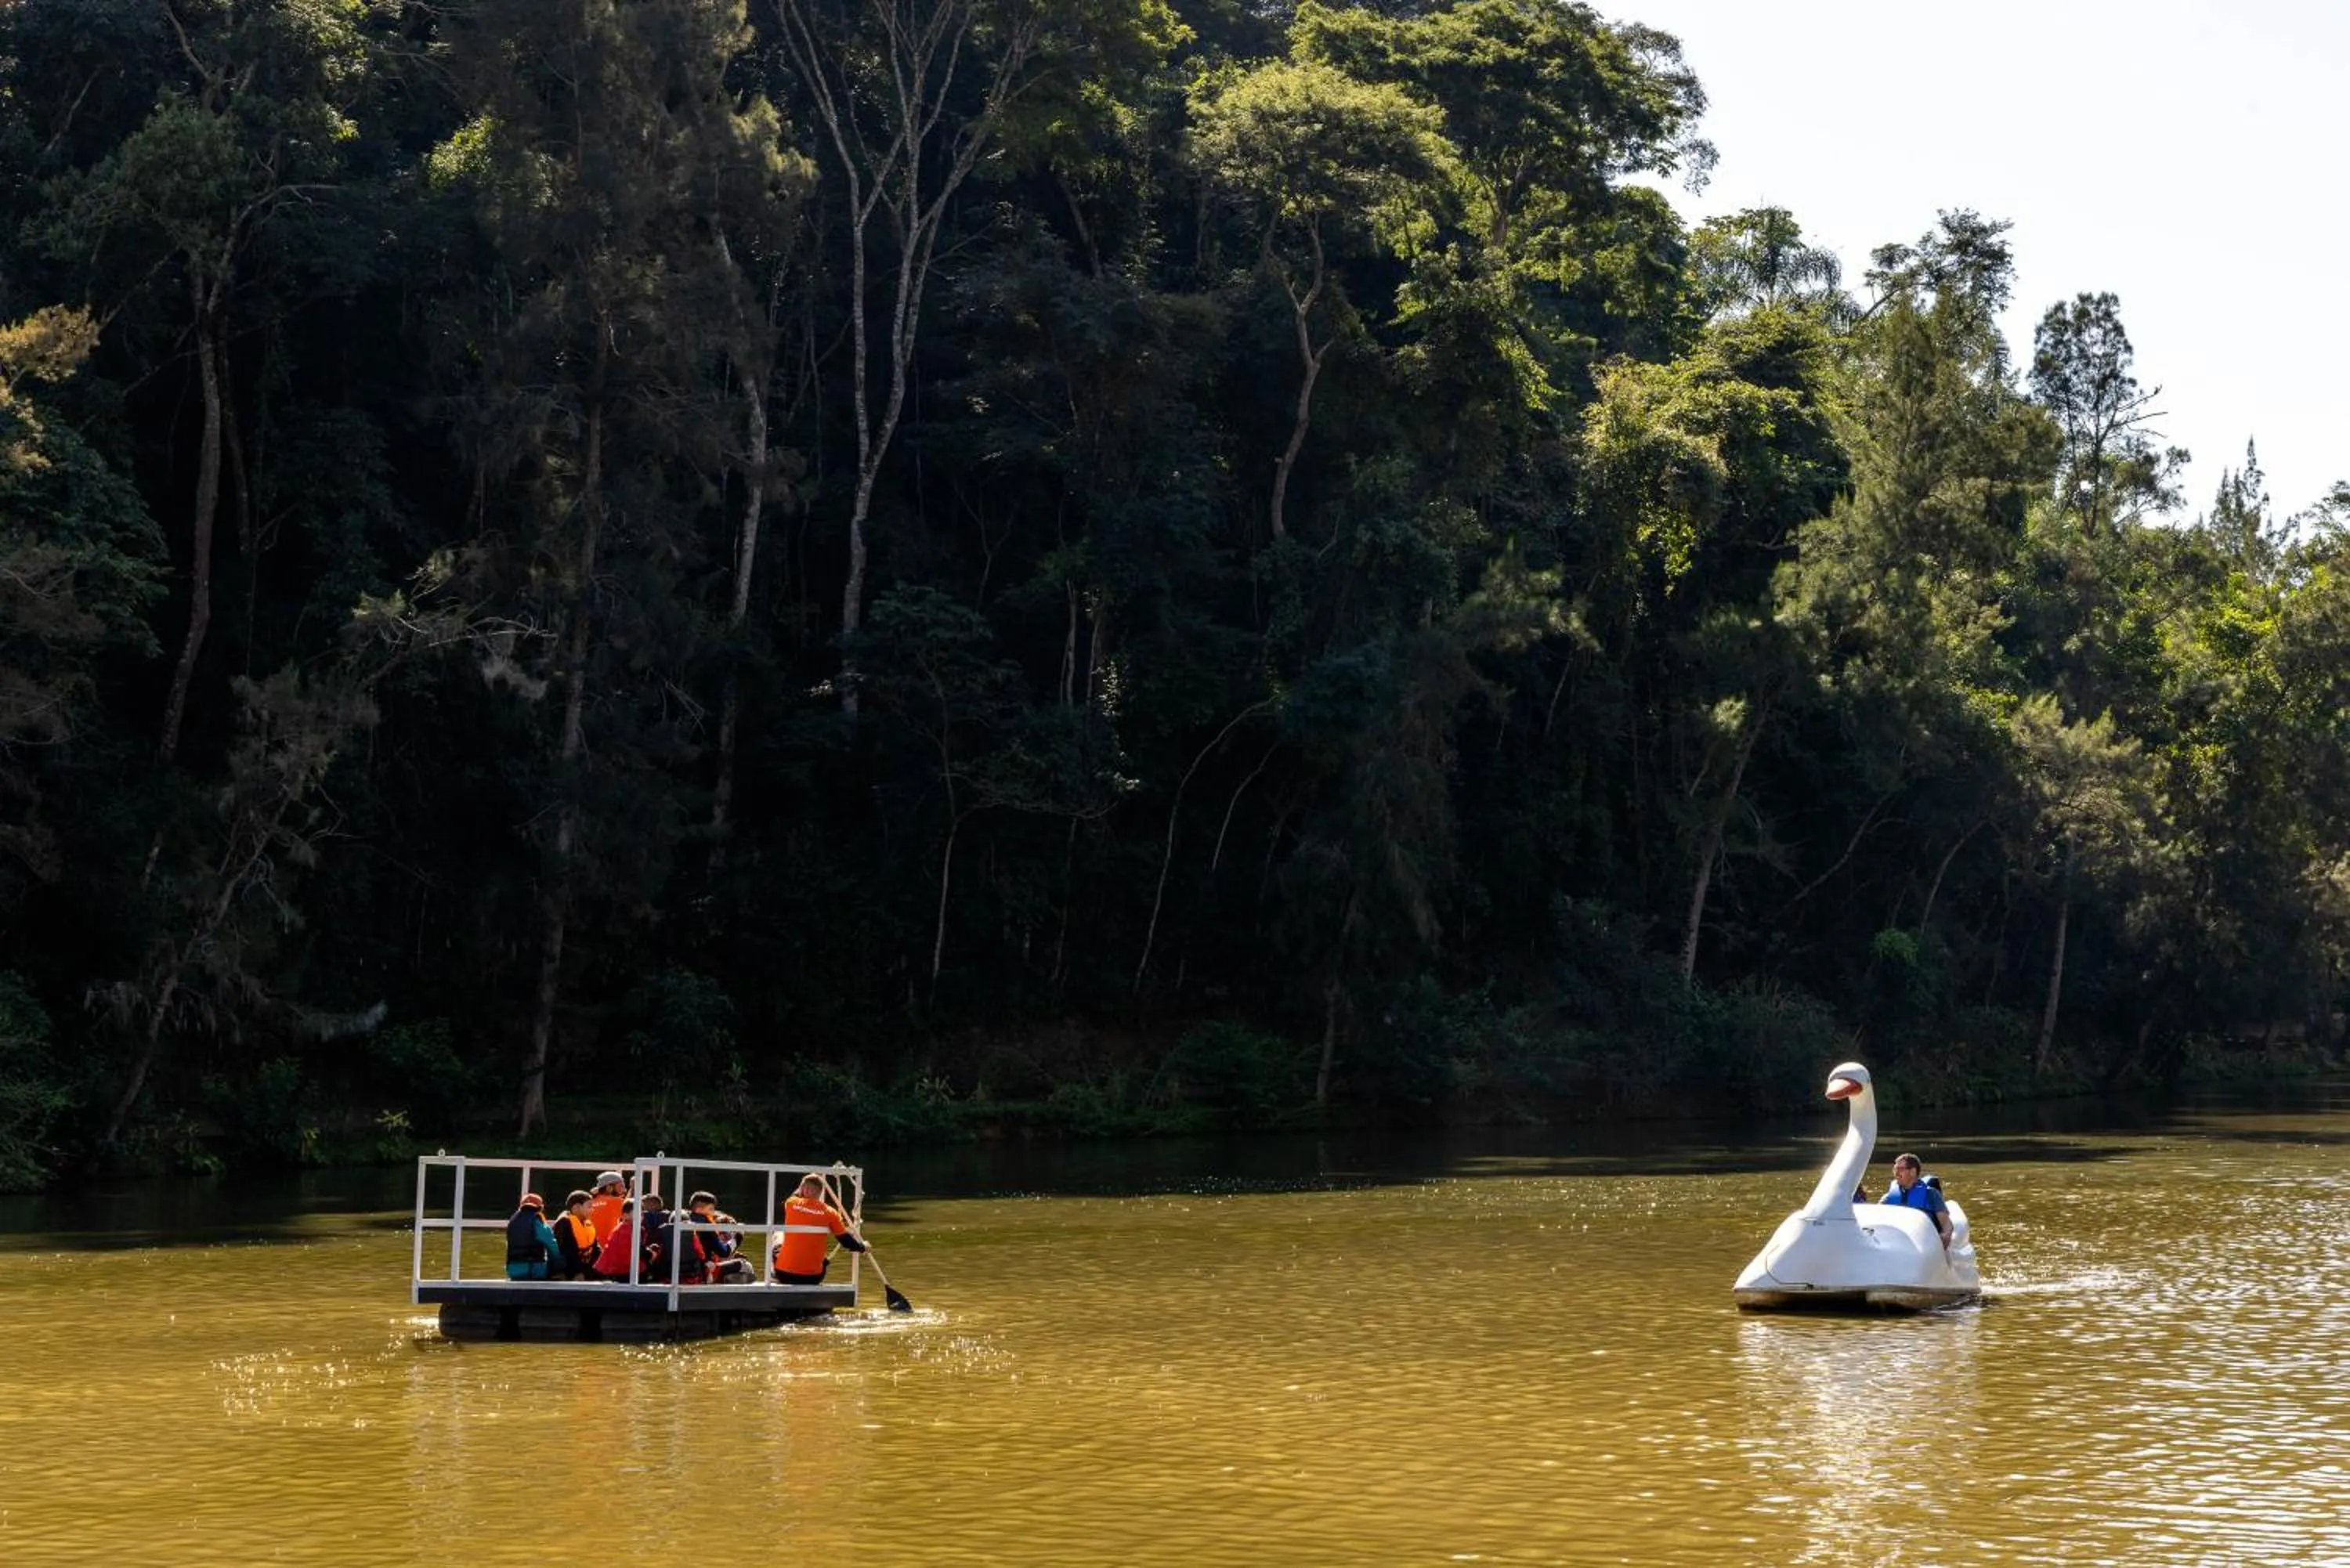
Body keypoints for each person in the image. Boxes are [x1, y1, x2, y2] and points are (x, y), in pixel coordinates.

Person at [772, 1174, 866, 1284]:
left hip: (785, 1275)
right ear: (820, 1192)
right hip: (813, 1278)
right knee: (820, 1255)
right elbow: (846, 1241)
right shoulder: (830, 1212)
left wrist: (805, 1183)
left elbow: (796, 1194)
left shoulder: (791, 1203)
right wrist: (863, 1247)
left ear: (802, 1189)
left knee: (778, 1234)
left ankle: (773, 1275)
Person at [1881, 1152, 1953, 1249]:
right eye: (1895, 1169)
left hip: (1922, 1241)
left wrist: (1946, 1235)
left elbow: (1947, 1224)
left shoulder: (1931, 1194)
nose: (1896, 1173)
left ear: (1913, 1172)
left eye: (1901, 1169)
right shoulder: (1888, 1197)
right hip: (1896, 1241)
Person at [685, 1190, 752, 1284]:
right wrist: (738, 1236)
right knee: (746, 1266)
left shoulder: (684, 1220)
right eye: (711, 1209)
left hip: (685, 1271)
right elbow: (724, 1252)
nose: (713, 1213)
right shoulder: (707, 1225)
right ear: (699, 1209)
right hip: (702, 1272)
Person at [504, 1193, 559, 1281]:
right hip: (534, 1270)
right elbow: (552, 1244)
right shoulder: (536, 1220)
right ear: (539, 1208)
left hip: (512, 1271)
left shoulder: (512, 1221)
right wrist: (559, 1264)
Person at [551, 1189, 601, 1279]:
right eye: (589, 1206)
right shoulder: (564, 1223)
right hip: (570, 1274)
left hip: (585, 1272)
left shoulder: (587, 1224)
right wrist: (578, 1272)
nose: (592, 1210)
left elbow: (596, 1250)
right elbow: (568, 1251)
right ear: (577, 1207)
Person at [590, 1198, 642, 1282]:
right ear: (625, 1215)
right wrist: (649, 1256)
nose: (640, 1216)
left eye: (641, 1213)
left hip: (621, 1271)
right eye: (637, 1213)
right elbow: (628, 1254)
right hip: (623, 1271)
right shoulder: (624, 1231)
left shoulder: (628, 1228)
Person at [587, 1171, 630, 1244]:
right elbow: (634, 1208)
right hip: (607, 1248)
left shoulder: (589, 1201)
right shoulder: (617, 1202)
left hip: (590, 1248)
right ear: (609, 1188)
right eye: (620, 1187)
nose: (624, 1191)